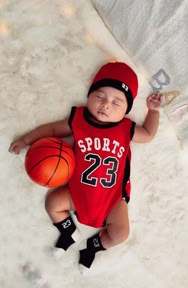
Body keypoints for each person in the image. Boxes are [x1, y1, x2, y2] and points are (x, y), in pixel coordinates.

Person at [9, 61, 162, 272]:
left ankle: (93, 246)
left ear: (126, 110)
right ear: (89, 96)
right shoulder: (78, 119)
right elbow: (53, 129)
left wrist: (153, 112)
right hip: (77, 193)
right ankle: (69, 231)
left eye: (116, 102)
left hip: (112, 199)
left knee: (120, 234)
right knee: (52, 202)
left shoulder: (126, 128)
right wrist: (27, 140)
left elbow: (149, 134)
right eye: (100, 96)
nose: (106, 104)